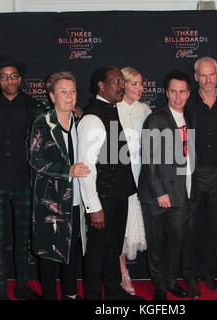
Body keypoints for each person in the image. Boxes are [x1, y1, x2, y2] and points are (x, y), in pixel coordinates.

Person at [0, 55, 45, 300]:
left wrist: (77, 110)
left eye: (14, 75)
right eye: (5, 76)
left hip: (23, 182)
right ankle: (2, 289)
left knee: (23, 238)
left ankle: (22, 286)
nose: (10, 80)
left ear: (20, 79)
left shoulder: (34, 106)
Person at [77, 66, 142, 300]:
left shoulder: (112, 109)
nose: (121, 85)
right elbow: (85, 168)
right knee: (96, 252)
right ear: (101, 86)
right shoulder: (93, 117)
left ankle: (114, 292)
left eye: (122, 81)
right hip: (102, 199)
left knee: (113, 249)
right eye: (116, 82)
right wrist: (94, 207)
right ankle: (94, 297)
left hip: (118, 195)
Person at [29, 72, 90, 300]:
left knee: (72, 250)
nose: (69, 96)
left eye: (72, 91)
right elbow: (35, 160)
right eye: (63, 92)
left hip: (75, 199)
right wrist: (67, 171)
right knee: (47, 254)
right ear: (52, 95)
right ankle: (49, 296)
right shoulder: (43, 123)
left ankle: (71, 294)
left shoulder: (80, 120)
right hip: (50, 200)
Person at [138, 70, 195, 300]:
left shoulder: (188, 117)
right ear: (166, 92)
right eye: (173, 91)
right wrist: (159, 191)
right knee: (157, 243)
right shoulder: (156, 118)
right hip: (156, 195)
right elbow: (149, 158)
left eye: (182, 92)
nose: (178, 96)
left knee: (176, 240)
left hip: (181, 192)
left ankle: (171, 280)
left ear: (189, 93)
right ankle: (160, 287)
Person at [182, 56, 217, 299]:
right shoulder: (187, 101)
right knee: (191, 228)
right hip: (193, 172)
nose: (207, 79)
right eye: (202, 75)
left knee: (215, 227)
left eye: (211, 74)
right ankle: (190, 276)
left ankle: (208, 271)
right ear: (196, 77)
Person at [116, 67, 151, 295]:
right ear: (123, 85)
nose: (140, 88)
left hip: (142, 175)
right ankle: (123, 274)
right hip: (119, 174)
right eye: (134, 84)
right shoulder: (113, 108)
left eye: (141, 83)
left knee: (137, 225)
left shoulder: (146, 110)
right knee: (120, 228)